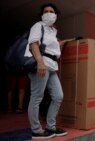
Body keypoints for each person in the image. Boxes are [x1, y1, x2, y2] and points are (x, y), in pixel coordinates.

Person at [24, 3, 74, 139]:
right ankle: (36, 130)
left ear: (55, 15)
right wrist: (40, 62)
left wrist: (63, 42)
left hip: (51, 66)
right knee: (36, 98)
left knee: (58, 96)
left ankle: (50, 127)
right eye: (45, 11)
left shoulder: (53, 31)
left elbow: (52, 46)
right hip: (42, 64)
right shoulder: (38, 25)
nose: (48, 13)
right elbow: (33, 43)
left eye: (51, 11)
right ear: (41, 15)